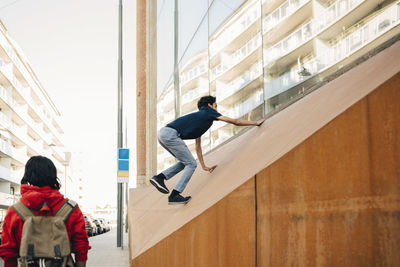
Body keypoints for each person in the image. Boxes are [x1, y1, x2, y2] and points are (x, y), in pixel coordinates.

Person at [151, 95, 266, 204]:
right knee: (190, 163)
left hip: (164, 134)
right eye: (216, 106)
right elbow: (235, 121)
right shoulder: (208, 111)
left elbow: (198, 147)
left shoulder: (200, 119)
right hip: (170, 134)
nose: (216, 109)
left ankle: (160, 178)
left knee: (186, 162)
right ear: (209, 105)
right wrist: (255, 123)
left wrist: (204, 166)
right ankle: (174, 195)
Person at [0, 156, 90, 267]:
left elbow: (8, 251)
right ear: (54, 176)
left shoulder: (15, 211)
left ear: (28, 176)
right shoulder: (71, 209)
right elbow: (81, 245)